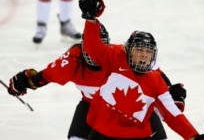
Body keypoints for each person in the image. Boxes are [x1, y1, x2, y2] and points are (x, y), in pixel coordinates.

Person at [7, 23, 186, 139]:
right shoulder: (72, 61)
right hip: (92, 109)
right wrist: (23, 82)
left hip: (132, 110)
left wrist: (171, 92)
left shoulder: (119, 56)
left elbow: (154, 73)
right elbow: (42, 77)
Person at [79, 0, 204, 139]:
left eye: (148, 52)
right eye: (139, 50)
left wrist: (194, 136)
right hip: (103, 133)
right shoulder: (116, 58)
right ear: (128, 50)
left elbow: (172, 114)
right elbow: (93, 48)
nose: (144, 55)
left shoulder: (155, 81)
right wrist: (90, 19)